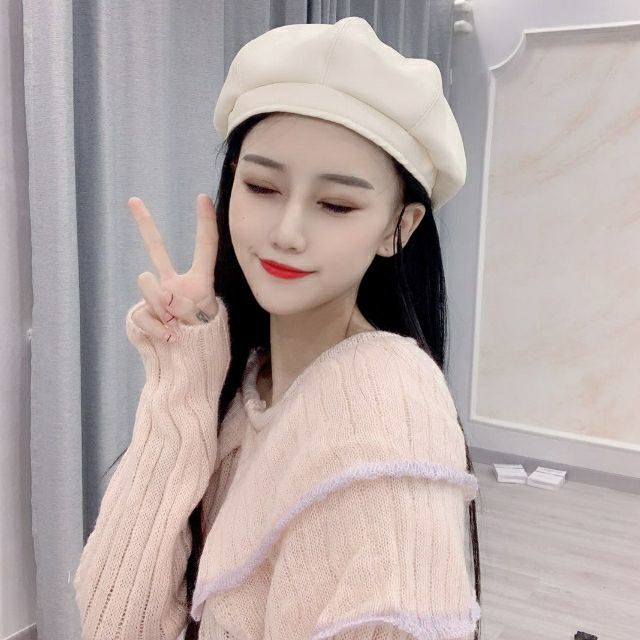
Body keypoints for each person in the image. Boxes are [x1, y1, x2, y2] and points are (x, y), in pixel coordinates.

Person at [73, 16, 482, 640]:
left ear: (399, 227)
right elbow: (116, 624)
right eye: (262, 186)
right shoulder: (250, 381)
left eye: (336, 204)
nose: (287, 232)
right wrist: (184, 372)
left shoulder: (384, 409)